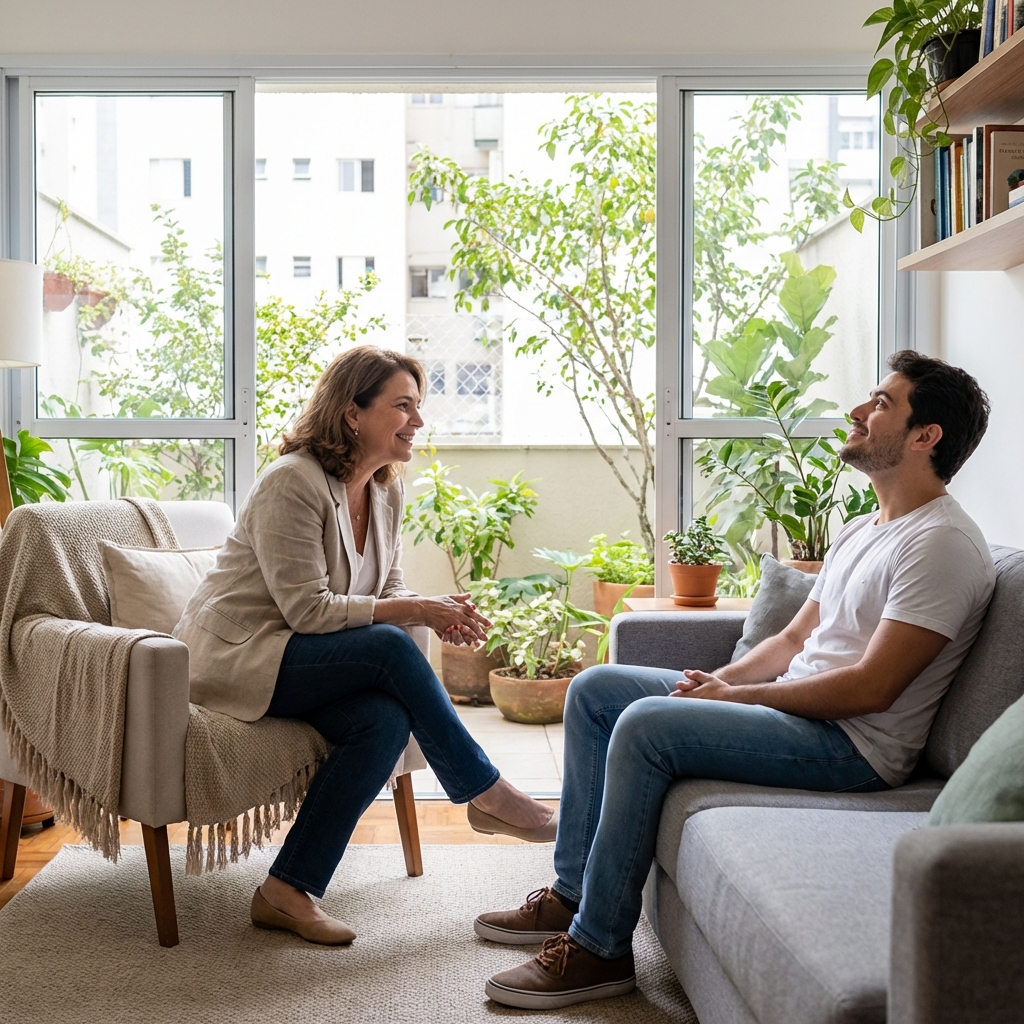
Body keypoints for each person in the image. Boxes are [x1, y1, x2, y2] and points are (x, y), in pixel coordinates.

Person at [477, 350, 995, 1010]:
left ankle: (600, 950)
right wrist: (711, 684)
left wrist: (734, 699)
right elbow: (791, 640)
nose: (858, 412)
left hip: (852, 745)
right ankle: (572, 894)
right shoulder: (865, 528)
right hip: (797, 717)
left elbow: (872, 687)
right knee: (597, 688)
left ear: (927, 437)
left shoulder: (942, 543)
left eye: (881, 404)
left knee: (644, 726)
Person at [174, 344, 555, 946]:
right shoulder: (290, 484)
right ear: (353, 413)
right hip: (239, 656)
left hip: (299, 657)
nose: (418, 422)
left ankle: (286, 891)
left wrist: (434, 611)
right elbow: (307, 609)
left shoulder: (383, 489)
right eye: (403, 406)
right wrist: (414, 613)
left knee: (380, 721)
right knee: (388, 647)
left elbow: (388, 586)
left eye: (418, 406)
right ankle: (486, 792)